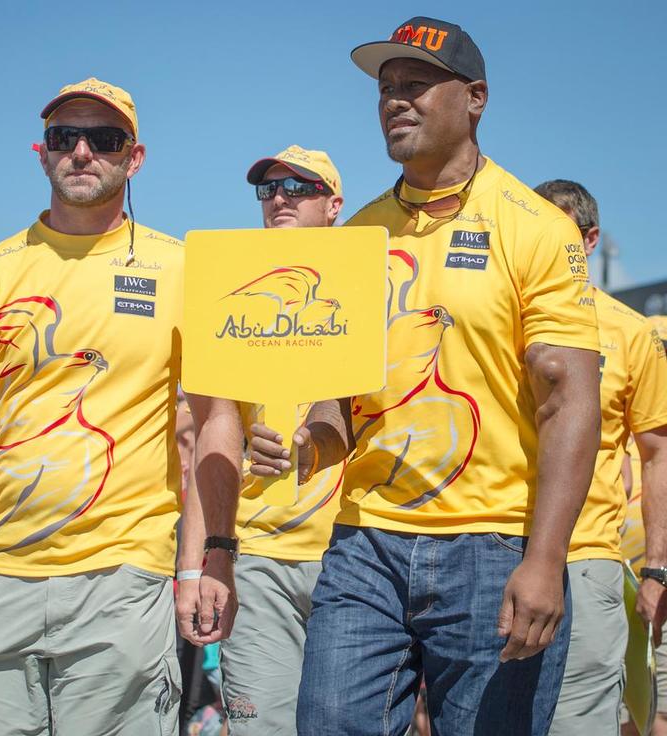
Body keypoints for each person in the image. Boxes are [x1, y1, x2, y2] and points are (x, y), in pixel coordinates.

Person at [245, 17, 601, 735]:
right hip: (363, 542)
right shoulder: (355, 238)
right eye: (386, 88)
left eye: (416, 84)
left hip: (494, 544)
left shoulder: (535, 227)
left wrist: (546, 558)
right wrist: (307, 444)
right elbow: (337, 399)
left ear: (474, 98)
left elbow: (569, 400)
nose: (395, 100)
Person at [0, 77, 237, 735]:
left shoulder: (182, 269)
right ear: (41, 152)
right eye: (64, 137)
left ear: (134, 158)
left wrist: (210, 555)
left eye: (103, 139)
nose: (81, 151)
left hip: (123, 580)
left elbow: (218, 418)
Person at [176, 145, 344, 735]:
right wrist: (195, 564)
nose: (279, 197)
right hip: (258, 557)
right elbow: (209, 438)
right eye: (269, 188)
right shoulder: (232, 295)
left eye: (299, 187)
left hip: (352, 555)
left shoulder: (375, 286)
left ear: (334, 205)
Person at [530, 180, 667, 734]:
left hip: (588, 559)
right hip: (491, 550)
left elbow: (656, 456)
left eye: (558, 234)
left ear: (589, 241)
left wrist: (656, 569)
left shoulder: (632, 332)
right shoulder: (499, 317)